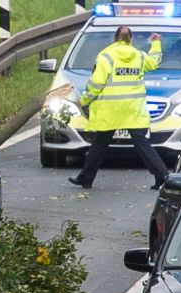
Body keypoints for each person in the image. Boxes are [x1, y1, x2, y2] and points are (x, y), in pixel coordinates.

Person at [69, 27, 171, 190]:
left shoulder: (106, 56)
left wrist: (85, 100)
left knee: (100, 143)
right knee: (142, 143)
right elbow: (154, 63)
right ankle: (163, 176)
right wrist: (156, 44)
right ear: (131, 39)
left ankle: (86, 178)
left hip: (110, 109)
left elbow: (96, 83)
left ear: (115, 38)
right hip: (132, 108)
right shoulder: (138, 55)